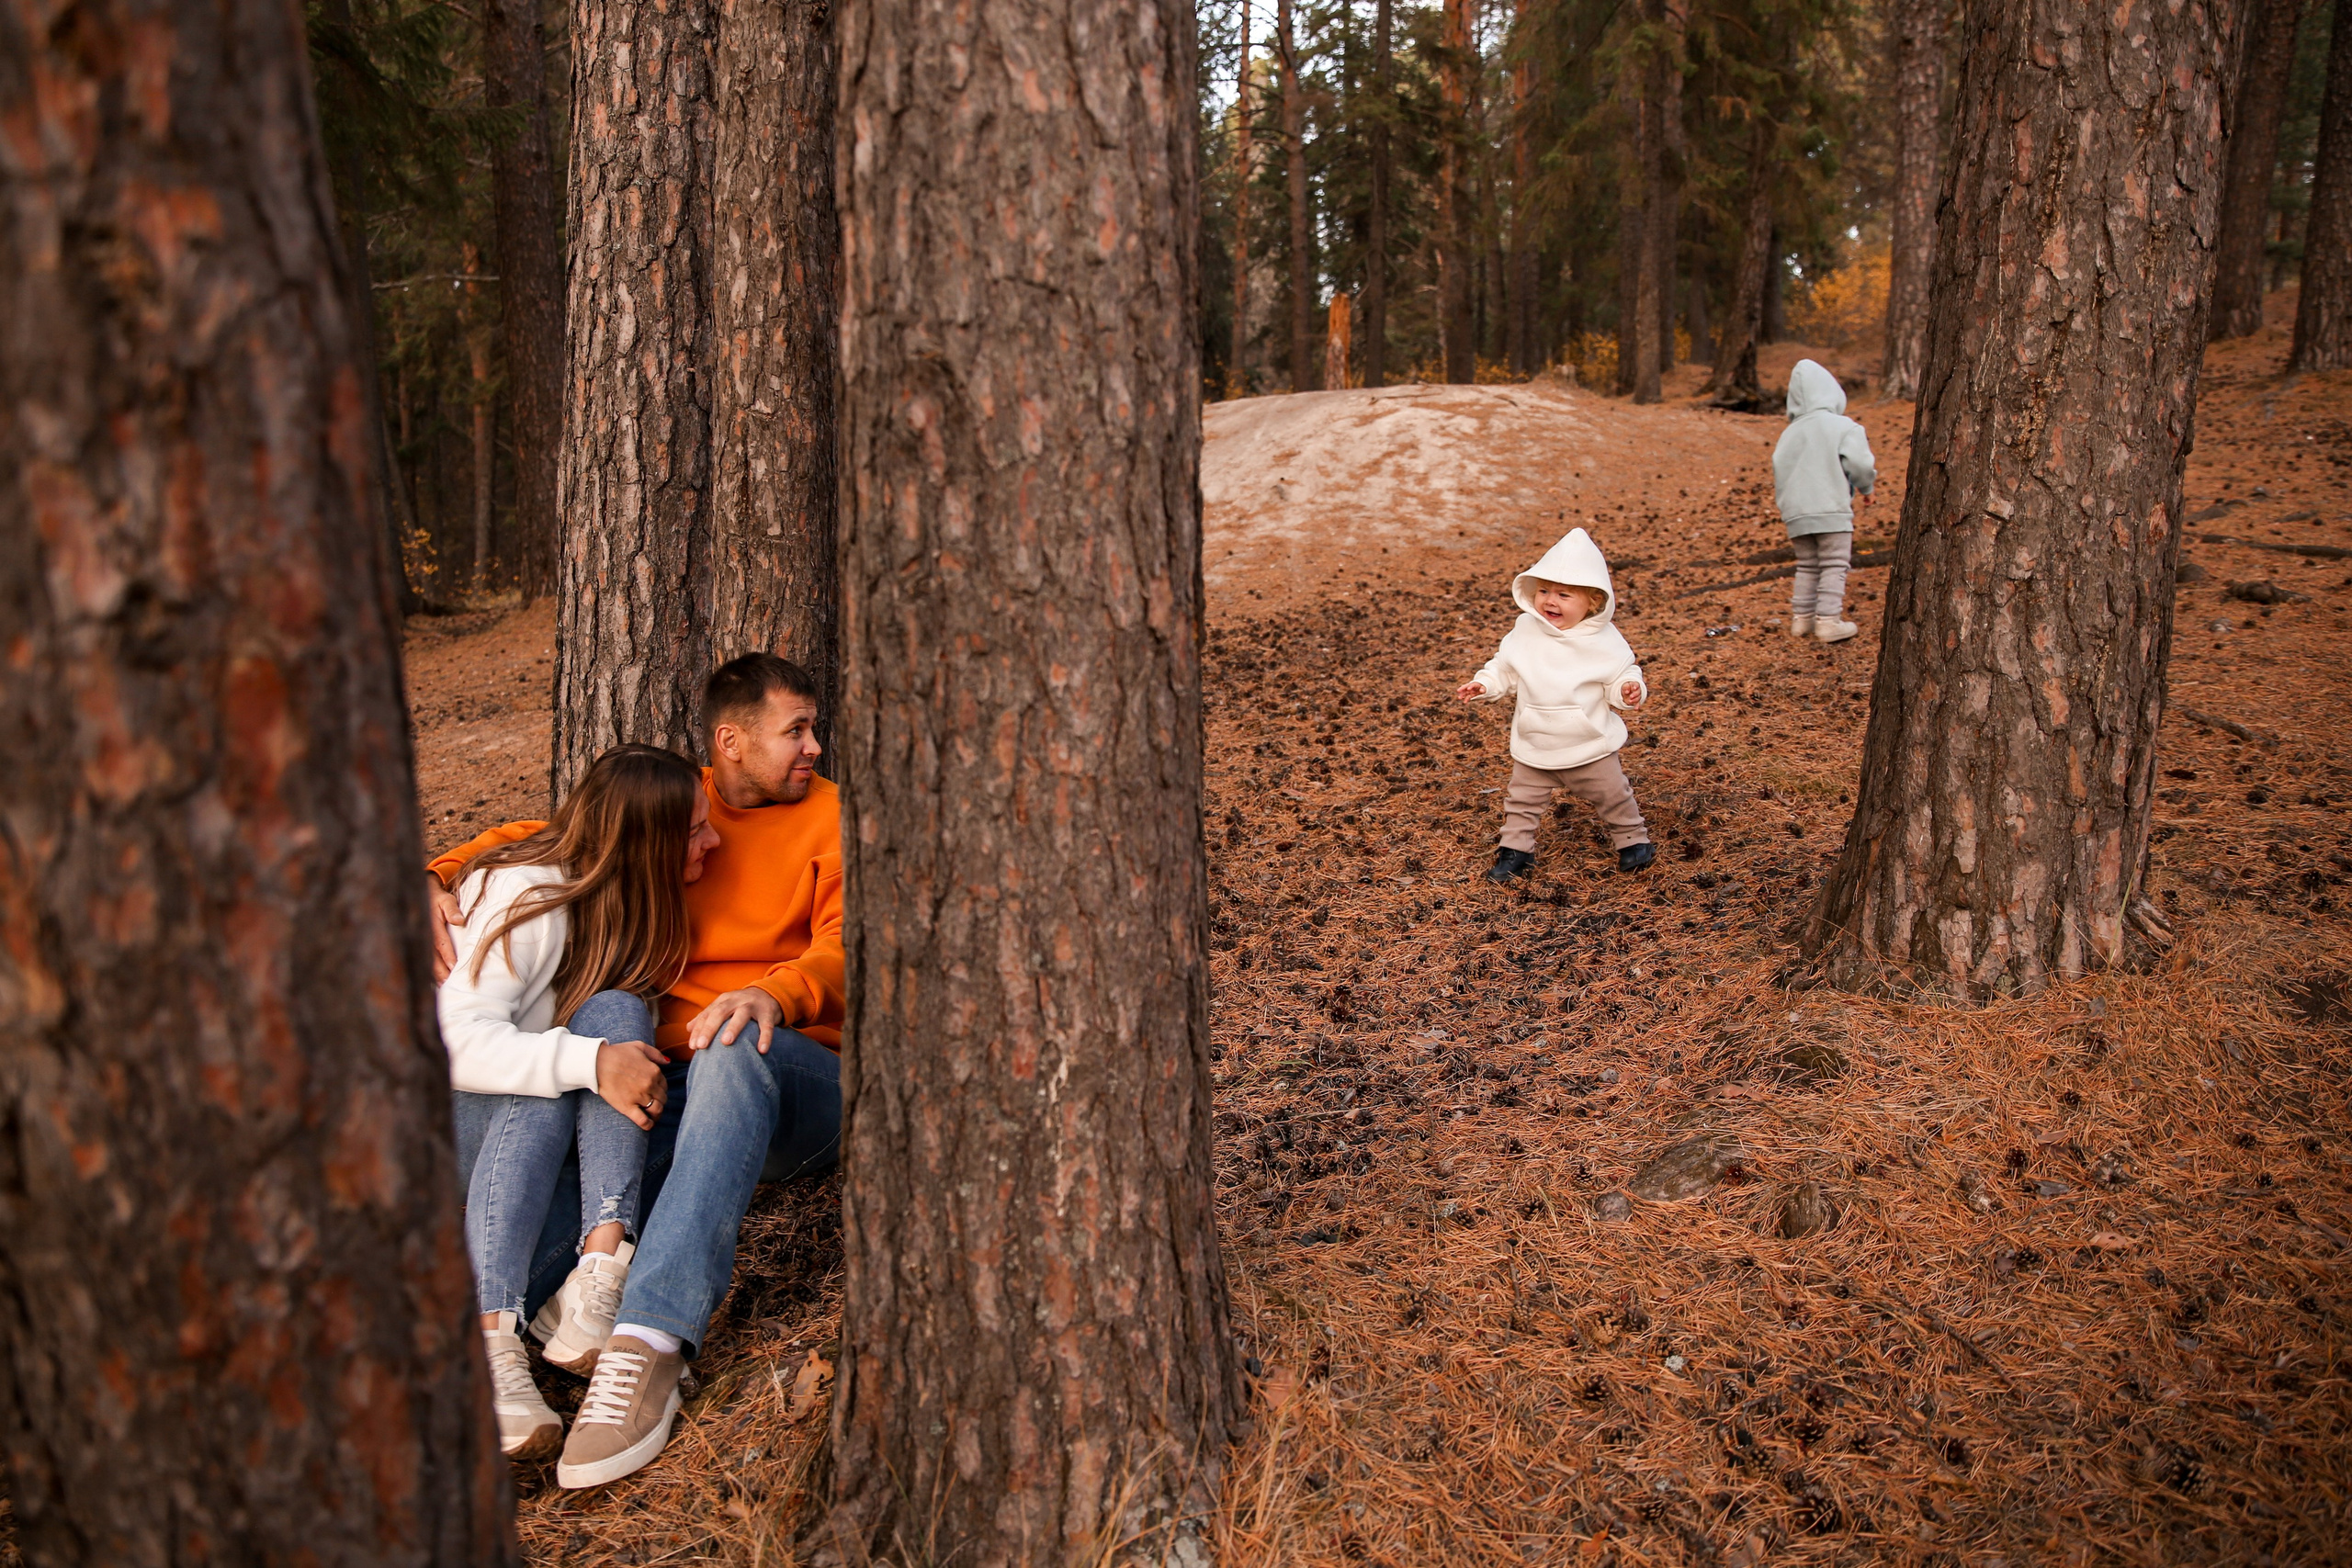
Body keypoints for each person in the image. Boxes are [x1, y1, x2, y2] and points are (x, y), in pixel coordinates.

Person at [426, 654, 843, 1489]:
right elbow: (560, 835)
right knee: (603, 1044)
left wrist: (775, 992)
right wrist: (432, 873)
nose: (814, 746)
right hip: (673, 1078)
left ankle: (647, 1341)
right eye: (795, 729)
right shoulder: (678, 804)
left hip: (793, 1069)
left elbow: (849, 943)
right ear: (730, 742)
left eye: (812, 729)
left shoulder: (836, 818)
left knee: (726, 1043)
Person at [439, 743, 718, 1461]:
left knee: (618, 1010)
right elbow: (454, 1042)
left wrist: (598, 1055)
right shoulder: (529, 893)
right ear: (645, 842)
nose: (713, 841)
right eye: (695, 829)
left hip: (511, 1140)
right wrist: (588, 1062)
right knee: (550, 1078)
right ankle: (490, 1342)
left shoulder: (613, 907)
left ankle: (599, 1273)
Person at [1456, 527, 1653, 884]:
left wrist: (1628, 690)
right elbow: (1505, 668)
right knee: (1521, 802)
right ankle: (1515, 851)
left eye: (1564, 594)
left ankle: (1632, 840)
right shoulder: (1526, 630)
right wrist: (1484, 684)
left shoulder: (1604, 641)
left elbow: (1620, 675)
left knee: (1613, 794)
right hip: (1536, 741)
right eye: (1544, 591)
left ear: (1593, 602)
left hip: (1588, 744)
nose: (1551, 601)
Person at [1773, 358, 1877, 644]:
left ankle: (1802, 619)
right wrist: (1866, 487)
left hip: (1796, 514)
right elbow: (1860, 464)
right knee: (1834, 563)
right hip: (1831, 510)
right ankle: (1829, 621)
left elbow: (1780, 471)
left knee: (1807, 564)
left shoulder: (1788, 434)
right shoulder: (1843, 427)